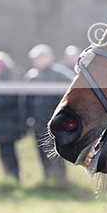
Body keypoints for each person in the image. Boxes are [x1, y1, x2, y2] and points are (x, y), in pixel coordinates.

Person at [24, 43, 71, 184]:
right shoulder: (32, 76)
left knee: (58, 150)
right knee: (42, 151)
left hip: (57, 121)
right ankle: (47, 178)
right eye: (36, 58)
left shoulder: (60, 74)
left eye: (41, 57)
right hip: (38, 122)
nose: (38, 60)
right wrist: (28, 118)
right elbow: (27, 100)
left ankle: (61, 179)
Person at [0, 52, 26, 182]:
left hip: (7, 122)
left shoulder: (8, 78)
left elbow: (7, 99)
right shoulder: (4, 77)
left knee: (8, 151)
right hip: (3, 122)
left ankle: (13, 176)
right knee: (5, 150)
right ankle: (10, 176)